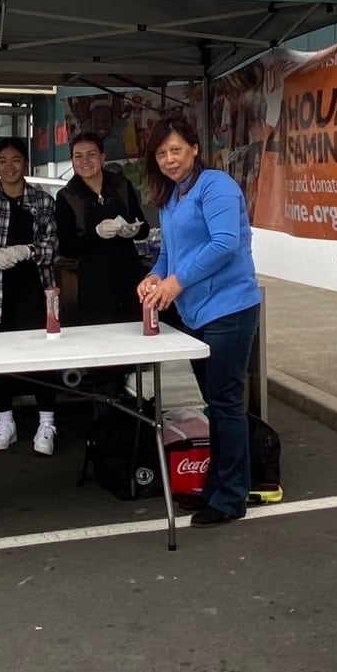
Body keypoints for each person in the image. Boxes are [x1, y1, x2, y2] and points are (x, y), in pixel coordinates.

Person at [138, 117, 261, 528]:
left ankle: (230, 497)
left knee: (225, 402)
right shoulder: (170, 197)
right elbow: (169, 255)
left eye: (175, 150)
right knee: (214, 402)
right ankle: (214, 487)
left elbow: (225, 243)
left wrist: (176, 281)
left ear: (193, 147)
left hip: (230, 308)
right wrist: (156, 277)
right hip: (195, 314)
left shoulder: (216, 185)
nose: (169, 159)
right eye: (161, 154)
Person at [0, 137, 61, 455]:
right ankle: (5, 421)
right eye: (3, 160)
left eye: (16, 159)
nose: (9, 166)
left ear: (26, 164)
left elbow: (53, 247)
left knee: (44, 357)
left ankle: (46, 422)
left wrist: (27, 249)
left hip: (34, 288)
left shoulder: (43, 201)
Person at [54, 131, 149, 325]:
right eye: (78, 156)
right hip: (94, 281)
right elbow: (67, 247)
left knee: (136, 334)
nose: (85, 161)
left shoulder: (122, 185)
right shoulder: (67, 196)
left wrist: (133, 230)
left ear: (102, 157)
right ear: (72, 160)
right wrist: (96, 234)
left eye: (91, 154)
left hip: (130, 274)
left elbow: (145, 227)